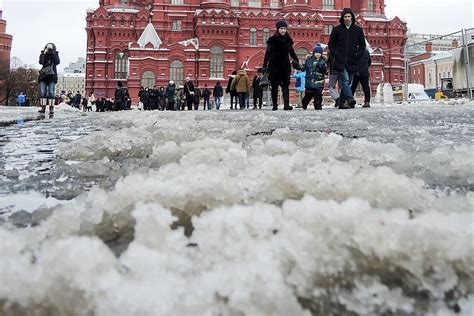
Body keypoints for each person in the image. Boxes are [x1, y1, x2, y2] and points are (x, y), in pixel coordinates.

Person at [328, 8, 366, 109]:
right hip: (340, 61)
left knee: (348, 82)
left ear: (352, 17)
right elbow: (331, 44)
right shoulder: (337, 29)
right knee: (345, 81)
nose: (347, 18)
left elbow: (362, 45)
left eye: (349, 16)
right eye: (345, 16)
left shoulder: (358, 30)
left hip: (352, 60)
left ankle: (341, 103)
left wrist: (358, 54)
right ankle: (350, 98)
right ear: (342, 18)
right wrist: (335, 54)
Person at [262, 20, 299, 111]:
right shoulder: (272, 40)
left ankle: (286, 105)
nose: (283, 30)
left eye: (284, 28)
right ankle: (275, 105)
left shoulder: (288, 40)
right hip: (274, 66)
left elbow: (292, 52)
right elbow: (267, 54)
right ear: (277, 29)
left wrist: (296, 60)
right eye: (281, 28)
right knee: (274, 86)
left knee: (285, 85)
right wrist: (264, 66)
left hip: (285, 66)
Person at [299, 44, 327, 110]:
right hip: (309, 82)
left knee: (318, 96)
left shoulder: (323, 61)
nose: (318, 54)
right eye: (316, 52)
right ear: (314, 53)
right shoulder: (308, 60)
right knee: (308, 97)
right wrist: (298, 66)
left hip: (319, 82)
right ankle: (304, 103)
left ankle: (318, 106)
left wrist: (320, 66)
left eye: (319, 53)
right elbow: (303, 68)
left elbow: (325, 71)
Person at [38, 43, 60, 114]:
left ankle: (51, 108)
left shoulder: (55, 54)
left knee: (51, 92)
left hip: (52, 76)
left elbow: (57, 62)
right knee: (42, 92)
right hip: (43, 76)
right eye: (48, 48)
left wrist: (53, 54)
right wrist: (43, 53)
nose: (49, 50)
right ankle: (43, 107)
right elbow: (41, 62)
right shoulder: (44, 54)